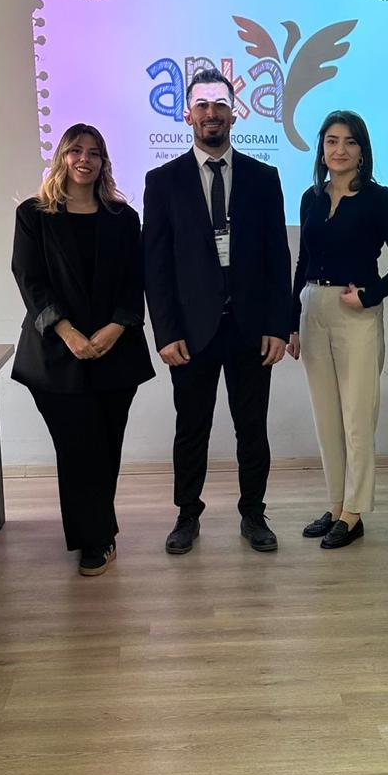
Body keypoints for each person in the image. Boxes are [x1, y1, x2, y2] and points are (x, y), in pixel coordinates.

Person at [143, 67, 291, 555]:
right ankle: (187, 515)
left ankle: (254, 514)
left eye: (220, 104)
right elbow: (156, 266)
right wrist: (165, 332)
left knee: (252, 428)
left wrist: (278, 325)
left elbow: (278, 258)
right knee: (191, 428)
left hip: (251, 329)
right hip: (191, 332)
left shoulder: (264, 178)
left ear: (234, 113)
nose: (212, 113)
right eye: (202, 105)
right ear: (188, 114)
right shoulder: (162, 181)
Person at [11, 123, 154, 575]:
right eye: (76, 150)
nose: (84, 159)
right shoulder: (34, 214)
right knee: (77, 449)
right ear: (62, 158)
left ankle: (98, 531)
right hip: (55, 355)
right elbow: (29, 279)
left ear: (104, 162)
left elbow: (136, 280)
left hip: (116, 352)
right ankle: (95, 539)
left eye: (94, 152)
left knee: (106, 447)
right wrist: (68, 331)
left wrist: (115, 328)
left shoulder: (123, 217)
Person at [288, 111, 388, 550]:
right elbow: (303, 262)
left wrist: (371, 294)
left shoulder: (378, 199)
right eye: (331, 141)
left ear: (362, 150)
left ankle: (355, 512)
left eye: (349, 142)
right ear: (321, 149)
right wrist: (290, 321)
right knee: (326, 417)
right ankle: (336, 503)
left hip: (355, 312)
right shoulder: (310, 198)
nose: (339, 150)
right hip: (313, 308)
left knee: (357, 417)